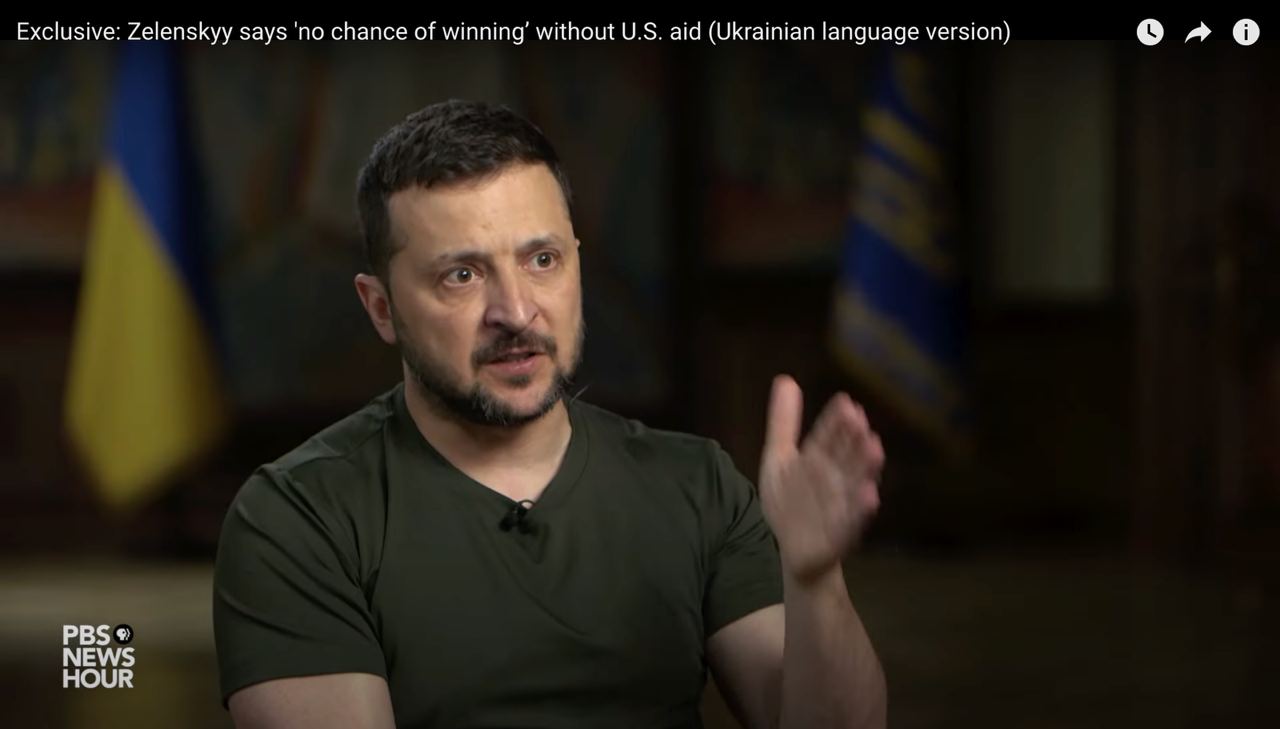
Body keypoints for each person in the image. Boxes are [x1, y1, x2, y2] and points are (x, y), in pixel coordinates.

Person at [213, 99, 887, 729]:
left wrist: (814, 579)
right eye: (462, 275)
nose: (516, 310)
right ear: (382, 308)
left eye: (542, 260)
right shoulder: (298, 517)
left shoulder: (696, 485)